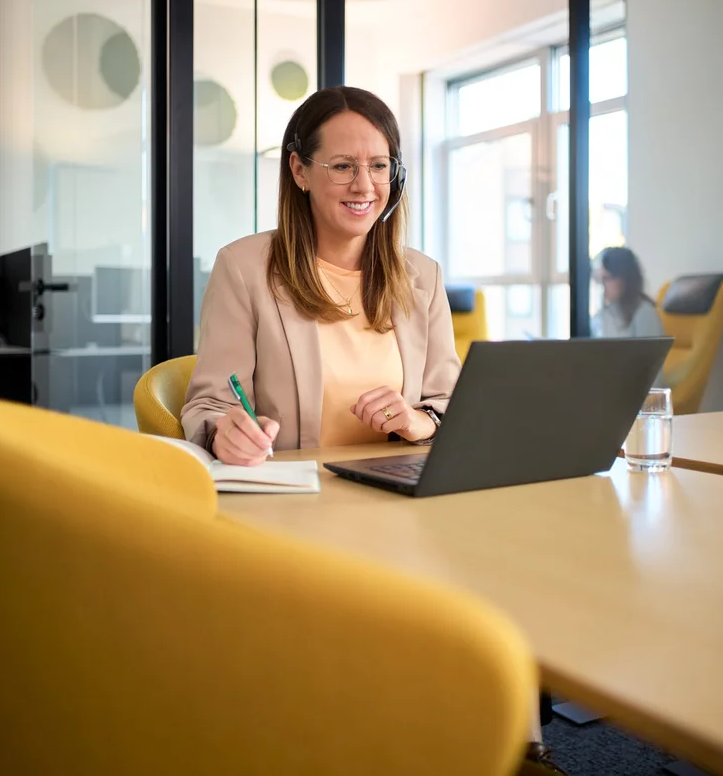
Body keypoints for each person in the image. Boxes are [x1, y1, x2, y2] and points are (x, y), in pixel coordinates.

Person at [181, 86, 567, 776]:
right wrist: (224, 431)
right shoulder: (246, 267)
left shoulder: (420, 277)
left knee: (515, 547)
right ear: (299, 171)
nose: (365, 184)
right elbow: (208, 399)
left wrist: (421, 418)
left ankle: (518, 748)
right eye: (343, 166)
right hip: (303, 508)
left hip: (401, 495)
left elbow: (451, 400)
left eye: (380, 165)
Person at [589, 247, 665, 339]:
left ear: (624, 279)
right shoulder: (604, 315)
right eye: (600, 279)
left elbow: (649, 353)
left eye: (607, 278)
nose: (602, 285)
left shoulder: (645, 313)